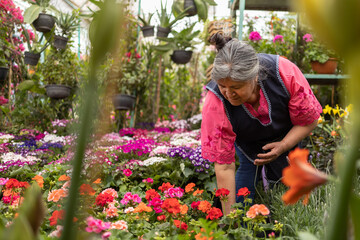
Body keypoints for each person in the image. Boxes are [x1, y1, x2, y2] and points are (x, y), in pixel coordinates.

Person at [201, 33, 322, 215]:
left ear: (255, 77)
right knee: (246, 179)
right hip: (249, 146)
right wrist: (231, 220)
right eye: (222, 86)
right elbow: (224, 166)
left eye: (235, 87)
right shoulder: (215, 101)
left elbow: (310, 120)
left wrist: (284, 146)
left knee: (291, 191)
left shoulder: (284, 72)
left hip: (288, 134)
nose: (228, 93)